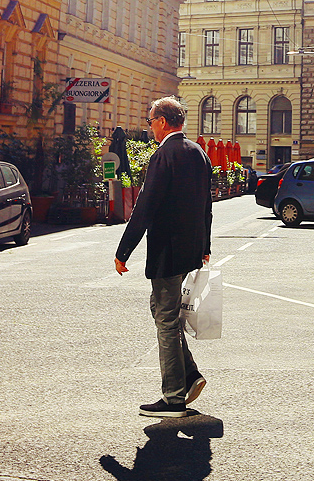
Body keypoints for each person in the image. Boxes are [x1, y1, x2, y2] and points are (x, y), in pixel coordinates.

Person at [114, 95, 212, 417]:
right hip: (189, 251)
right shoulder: (198, 153)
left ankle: (173, 398)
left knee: (166, 321)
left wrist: (123, 251)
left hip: (168, 252)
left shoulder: (163, 156)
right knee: (161, 310)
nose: (149, 127)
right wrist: (205, 246)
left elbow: (145, 208)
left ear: (162, 122)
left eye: (150, 121)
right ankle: (190, 374)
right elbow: (206, 207)